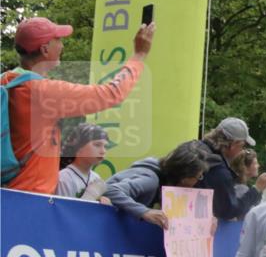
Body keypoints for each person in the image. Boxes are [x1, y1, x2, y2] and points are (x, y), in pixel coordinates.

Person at [2, 17, 154, 194]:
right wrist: (139, 55)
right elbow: (112, 93)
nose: (62, 45)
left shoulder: (6, 81)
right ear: (44, 49)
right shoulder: (42, 91)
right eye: (58, 40)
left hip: (8, 192)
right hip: (32, 197)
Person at [103, 142, 210, 229]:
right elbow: (110, 189)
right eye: (198, 176)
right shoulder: (150, 180)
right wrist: (144, 212)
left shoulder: (167, 183)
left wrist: (205, 220)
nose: (198, 181)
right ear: (183, 177)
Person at [195, 118, 266, 220]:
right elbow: (230, 211)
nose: (242, 151)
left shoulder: (194, 147)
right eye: (242, 146)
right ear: (233, 144)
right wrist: (257, 189)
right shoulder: (219, 171)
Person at [56, 123, 111, 203]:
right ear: (78, 147)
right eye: (97, 145)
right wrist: (90, 195)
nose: (103, 151)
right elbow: (64, 212)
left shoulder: (96, 178)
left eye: (105, 146)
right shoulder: (64, 179)